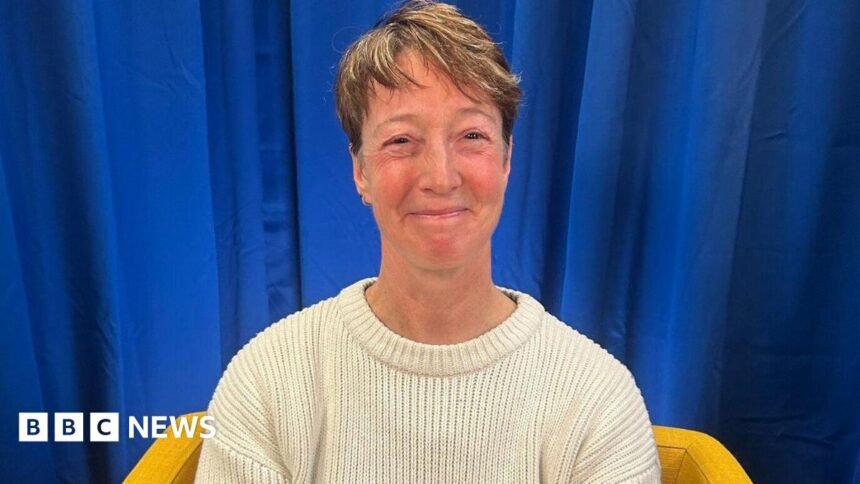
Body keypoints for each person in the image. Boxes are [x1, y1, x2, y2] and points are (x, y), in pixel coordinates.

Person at [195, 1, 660, 482]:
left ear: (506, 161)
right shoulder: (267, 382)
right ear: (360, 171)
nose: (440, 176)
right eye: (400, 141)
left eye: (472, 135)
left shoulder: (597, 398)